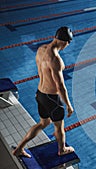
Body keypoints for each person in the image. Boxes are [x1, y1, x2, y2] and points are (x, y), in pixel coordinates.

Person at [13, 26, 75, 158]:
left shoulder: (41, 49)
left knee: (44, 123)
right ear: (65, 42)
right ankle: (62, 149)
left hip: (40, 94)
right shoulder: (55, 59)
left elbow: (42, 72)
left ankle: (19, 148)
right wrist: (69, 105)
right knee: (59, 127)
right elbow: (60, 86)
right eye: (67, 44)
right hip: (52, 99)